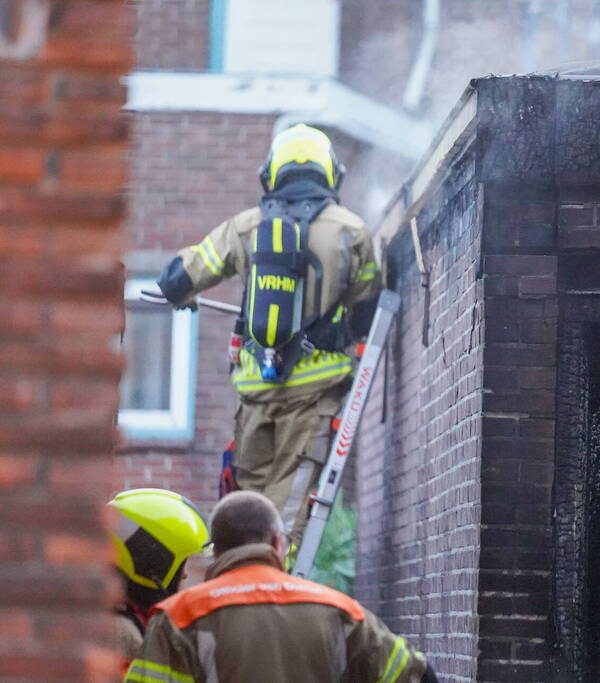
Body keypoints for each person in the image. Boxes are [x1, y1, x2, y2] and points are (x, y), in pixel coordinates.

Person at [156, 124, 382, 545]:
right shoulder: (352, 231)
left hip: (255, 389)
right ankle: (277, 584)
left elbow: (178, 278)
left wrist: (181, 294)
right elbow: (369, 307)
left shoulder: (244, 227)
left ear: (271, 173)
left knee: (248, 503)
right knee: (286, 509)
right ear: (331, 172)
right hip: (315, 392)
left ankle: (237, 577)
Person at [125, 491, 438, 683]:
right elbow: (417, 675)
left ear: (217, 550)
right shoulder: (339, 611)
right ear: (276, 542)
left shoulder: (178, 619)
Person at [108, 488, 210, 670]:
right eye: (181, 566)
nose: (185, 574)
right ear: (153, 563)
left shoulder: (123, 619)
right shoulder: (122, 633)